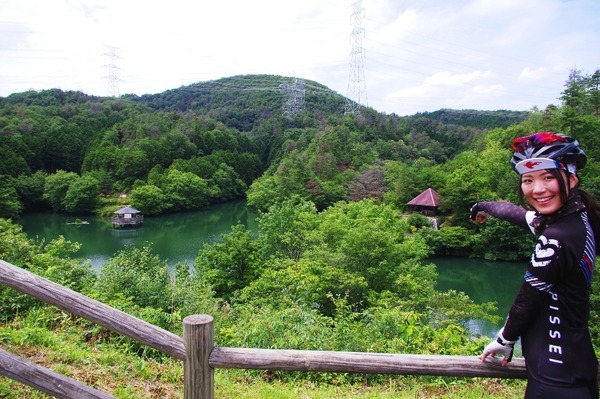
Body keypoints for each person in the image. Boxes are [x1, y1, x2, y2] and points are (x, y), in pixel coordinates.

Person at [470, 132, 600, 399]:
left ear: (572, 179)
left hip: (554, 378)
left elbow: (527, 300)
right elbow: (518, 214)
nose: (538, 189)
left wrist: (505, 340)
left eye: (548, 177)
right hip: (579, 367)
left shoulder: (555, 238)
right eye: (528, 180)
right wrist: (481, 206)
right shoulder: (577, 219)